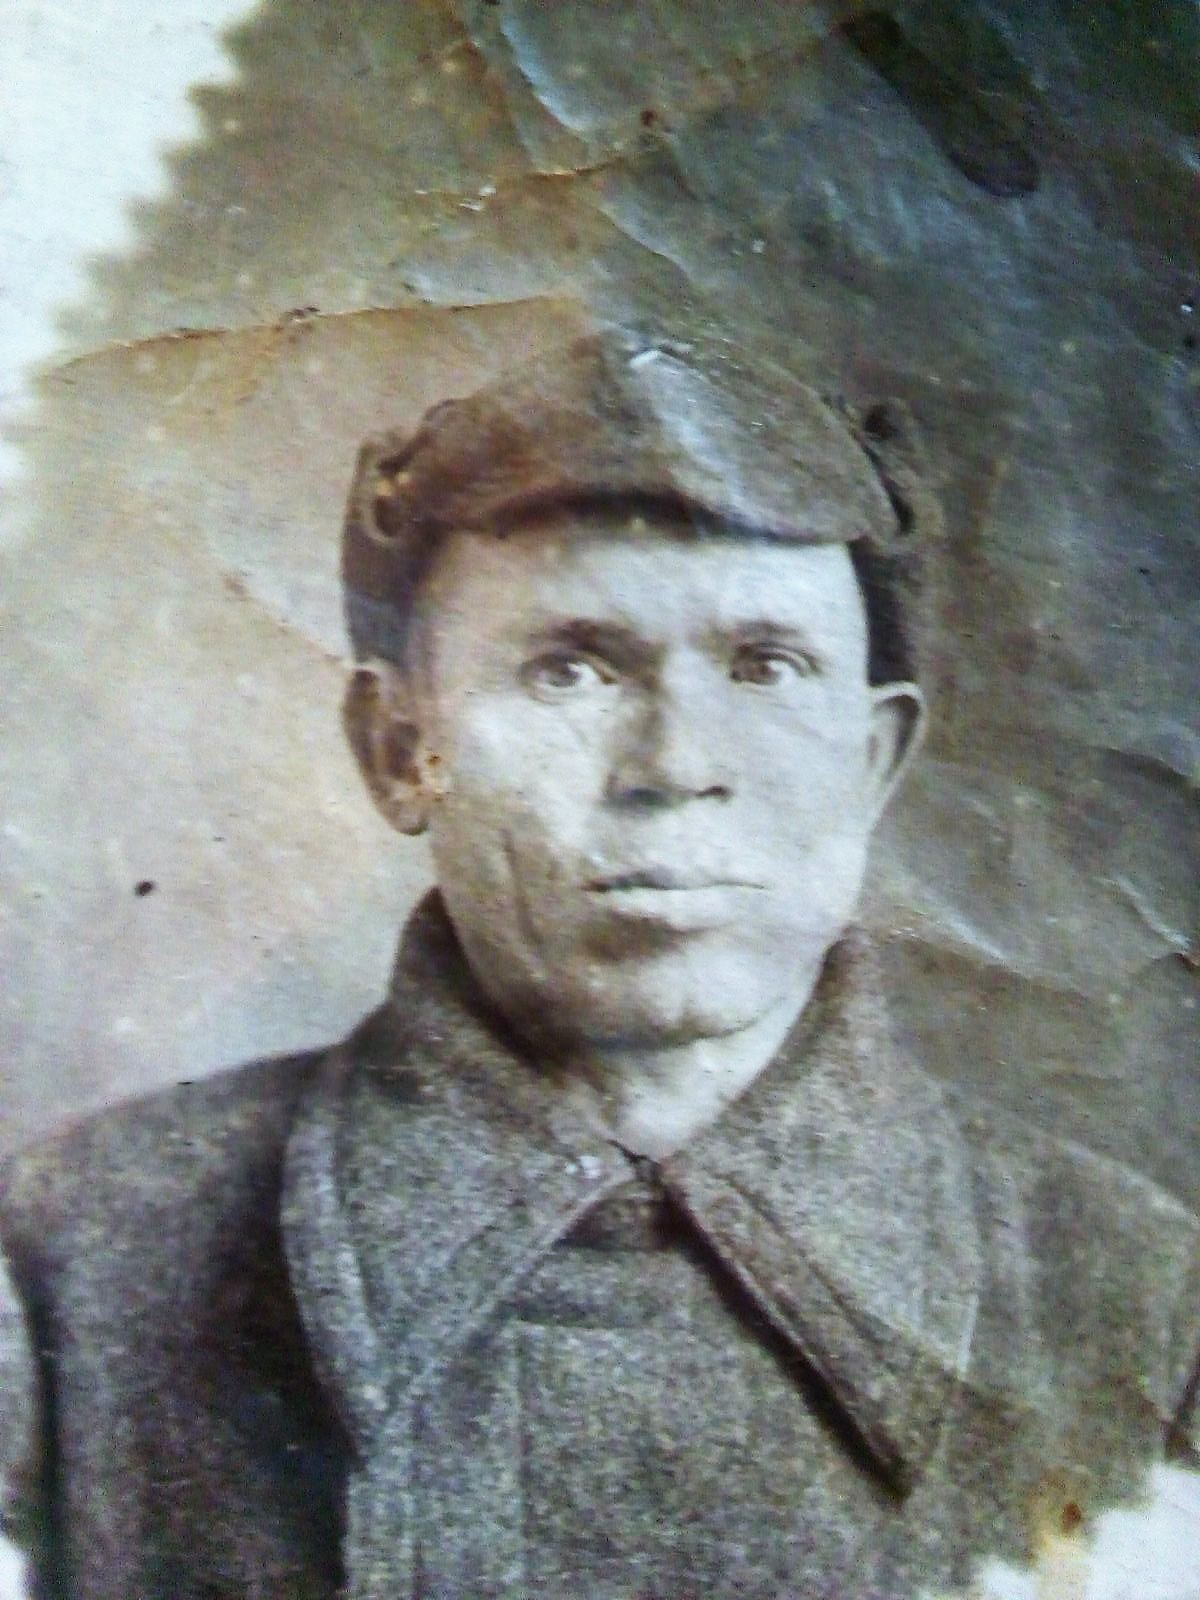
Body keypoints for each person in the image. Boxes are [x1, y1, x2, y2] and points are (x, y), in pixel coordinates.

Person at [1, 329, 1198, 1600]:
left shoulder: (1139, 1299)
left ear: (870, 761)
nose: (675, 764)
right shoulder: (71, 1266)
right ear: (400, 750)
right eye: (567, 668)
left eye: (765, 667)